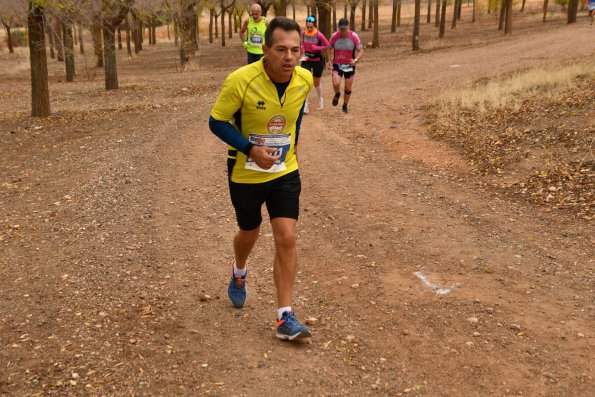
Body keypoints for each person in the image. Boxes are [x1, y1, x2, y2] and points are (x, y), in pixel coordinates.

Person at [209, 17, 313, 341]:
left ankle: (285, 317)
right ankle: (239, 270)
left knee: (287, 237)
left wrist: (292, 145)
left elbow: (294, 117)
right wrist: (250, 149)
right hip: (245, 172)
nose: (289, 57)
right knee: (249, 232)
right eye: (281, 49)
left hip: (284, 170)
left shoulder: (304, 80)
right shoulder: (240, 80)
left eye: (295, 50)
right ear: (265, 49)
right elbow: (217, 122)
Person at [327, 18, 364, 114]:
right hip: (337, 64)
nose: (342, 31)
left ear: (348, 27)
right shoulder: (335, 36)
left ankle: (345, 105)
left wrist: (355, 60)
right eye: (341, 29)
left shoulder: (354, 36)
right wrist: (329, 60)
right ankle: (337, 93)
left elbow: (361, 51)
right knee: (336, 84)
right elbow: (328, 48)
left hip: (349, 65)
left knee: (347, 88)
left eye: (344, 29)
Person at [300, 15, 330, 114]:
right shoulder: (303, 34)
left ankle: (320, 99)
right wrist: (302, 52)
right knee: (306, 82)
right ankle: (305, 106)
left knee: (316, 83)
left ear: (314, 25)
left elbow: (327, 45)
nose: (309, 29)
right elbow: (301, 44)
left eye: (311, 27)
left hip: (317, 60)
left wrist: (316, 48)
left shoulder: (319, 35)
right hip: (306, 60)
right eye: (307, 27)